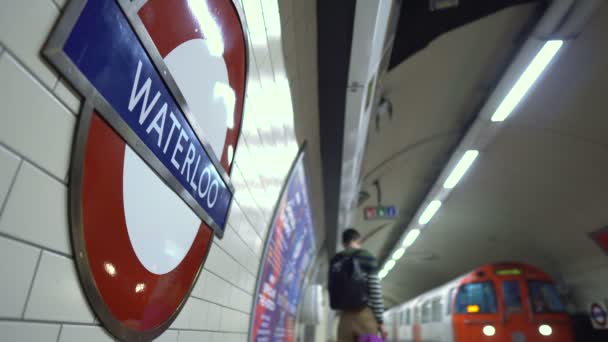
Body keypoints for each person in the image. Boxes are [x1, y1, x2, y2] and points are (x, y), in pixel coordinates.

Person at [329, 228, 387, 342]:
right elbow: (375, 291)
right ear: (359, 241)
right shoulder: (367, 257)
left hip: (344, 318)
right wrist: (380, 322)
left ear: (343, 243)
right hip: (365, 316)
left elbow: (332, 289)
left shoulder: (335, 260)